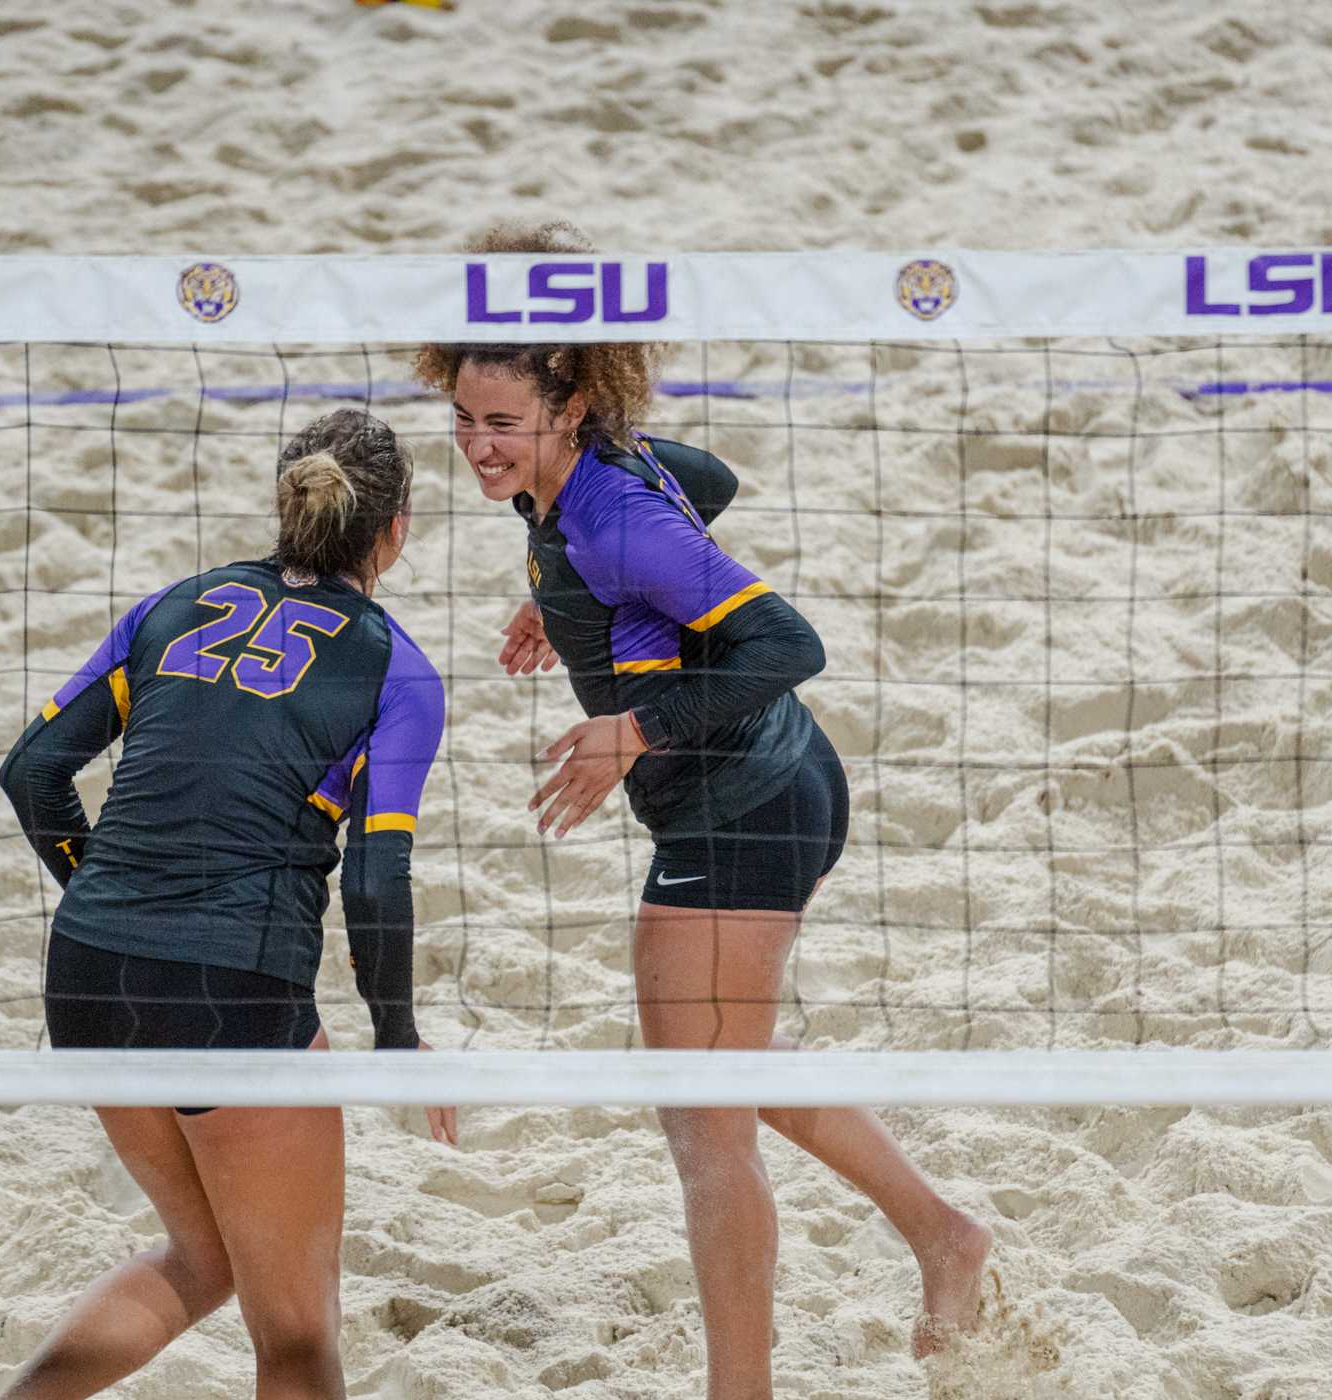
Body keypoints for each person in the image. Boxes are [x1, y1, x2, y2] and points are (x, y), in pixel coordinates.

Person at [416, 223, 994, 1399]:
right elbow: (708, 484)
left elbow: (790, 640)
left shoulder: (615, 515)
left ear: (571, 405)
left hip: (749, 800)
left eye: (504, 425)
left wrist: (632, 721)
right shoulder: (584, 482)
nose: (480, 447)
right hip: (753, 789)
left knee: (704, 1121)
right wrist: (566, 610)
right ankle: (943, 1234)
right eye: (466, 419)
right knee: (722, 1069)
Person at [0, 408, 455, 1400]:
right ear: (396, 528)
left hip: (87, 971)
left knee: (204, 1260)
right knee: (296, 1332)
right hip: (231, 989)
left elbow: (33, 771)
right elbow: (378, 877)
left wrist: (111, 887)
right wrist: (400, 1030)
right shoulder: (398, 668)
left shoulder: (174, 605)